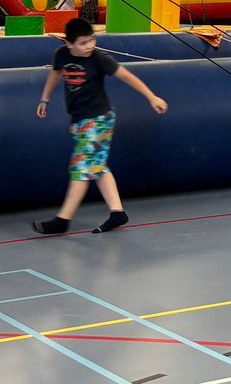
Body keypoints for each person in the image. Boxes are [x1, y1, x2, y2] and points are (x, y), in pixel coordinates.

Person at [32, 18, 168, 235]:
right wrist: (44, 98)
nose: (89, 46)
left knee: (81, 168)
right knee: (98, 167)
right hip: (80, 119)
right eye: (83, 43)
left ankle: (62, 219)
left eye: (92, 40)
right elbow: (55, 73)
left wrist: (151, 97)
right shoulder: (62, 55)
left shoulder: (99, 59)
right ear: (69, 43)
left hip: (98, 119)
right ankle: (117, 213)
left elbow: (127, 76)